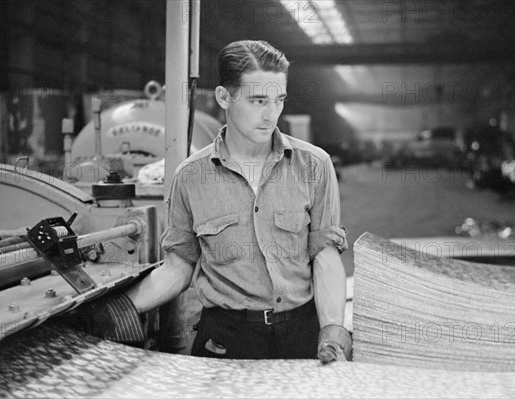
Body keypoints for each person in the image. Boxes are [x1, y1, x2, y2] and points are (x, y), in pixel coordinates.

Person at [95, 40, 351, 361]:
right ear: (224, 97)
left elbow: (325, 255)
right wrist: (117, 309)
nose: (270, 114)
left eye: (278, 100)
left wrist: (332, 330)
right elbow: (179, 265)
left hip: (300, 334)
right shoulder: (191, 176)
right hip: (227, 340)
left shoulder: (314, 165)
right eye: (258, 101)